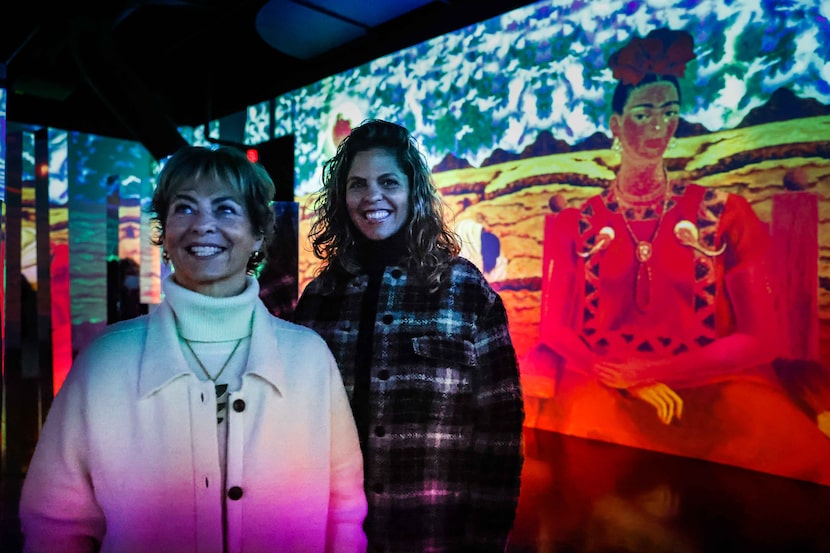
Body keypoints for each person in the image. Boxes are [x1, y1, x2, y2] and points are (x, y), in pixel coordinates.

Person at [19, 145, 368, 553]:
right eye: (184, 208)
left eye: (225, 209)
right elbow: (55, 527)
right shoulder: (105, 364)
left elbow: (343, 511)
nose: (203, 225)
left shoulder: (309, 359)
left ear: (258, 233)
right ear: (163, 231)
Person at [522, 28, 830, 484]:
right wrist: (619, 374)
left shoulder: (725, 213)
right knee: (600, 464)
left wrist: (654, 371)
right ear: (615, 124)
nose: (658, 127)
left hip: (715, 378)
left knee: (797, 459)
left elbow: (763, 337)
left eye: (669, 113)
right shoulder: (577, 223)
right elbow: (554, 328)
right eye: (643, 113)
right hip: (603, 379)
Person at [292, 119, 525, 553]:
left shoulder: (465, 290)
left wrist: (486, 541)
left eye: (388, 182)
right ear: (342, 199)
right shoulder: (318, 299)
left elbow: (499, 434)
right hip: (329, 534)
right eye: (357, 184)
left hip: (433, 536)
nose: (372, 197)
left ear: (412, 193)